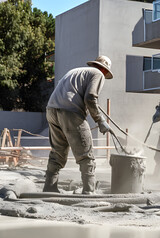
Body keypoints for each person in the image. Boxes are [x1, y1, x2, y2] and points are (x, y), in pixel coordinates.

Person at [43, 55, 113, 194]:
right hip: (70, 112)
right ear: (105, 70)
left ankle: (49, 187)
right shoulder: (98, 74)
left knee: (58, 152)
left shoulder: (77, 71)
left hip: (51, 110)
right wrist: (100, 120)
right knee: (86, 153)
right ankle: (89, 191)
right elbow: (90, 97)